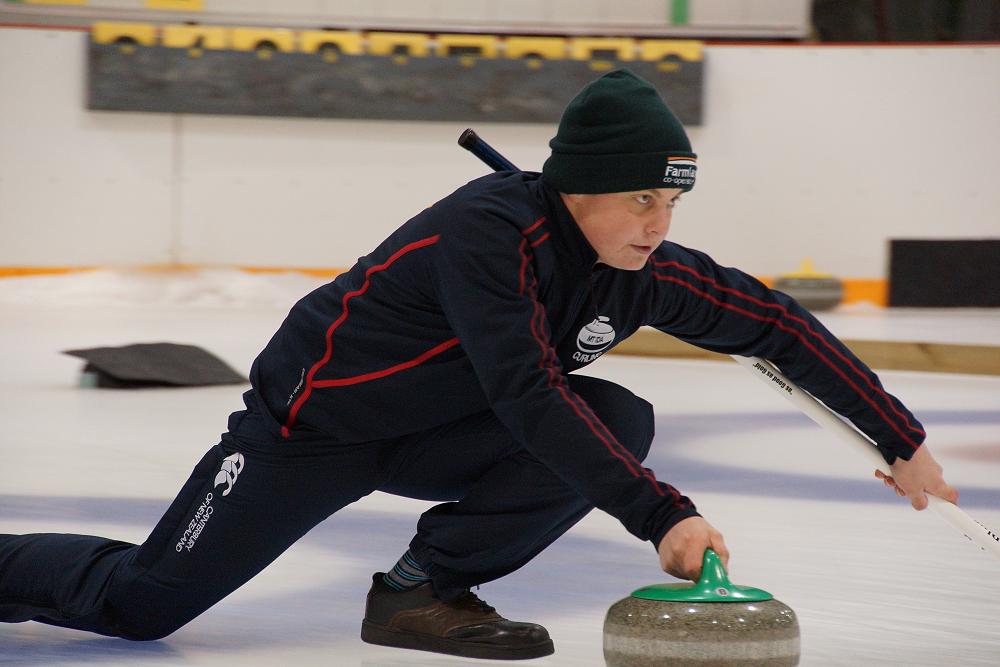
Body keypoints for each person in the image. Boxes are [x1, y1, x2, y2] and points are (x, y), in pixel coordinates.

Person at [0, 69, 958, 661]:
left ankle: (421, 589)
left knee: (619, 416)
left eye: (672, 204)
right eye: (640, 201)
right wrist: (661, 513)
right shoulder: (486, 232)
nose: (660, 226)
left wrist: (900, 438)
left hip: (437, 431)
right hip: (310, 431)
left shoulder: (640, 270)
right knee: (143, 604)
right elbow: (525, 390)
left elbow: (775, 324)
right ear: (577, 185)